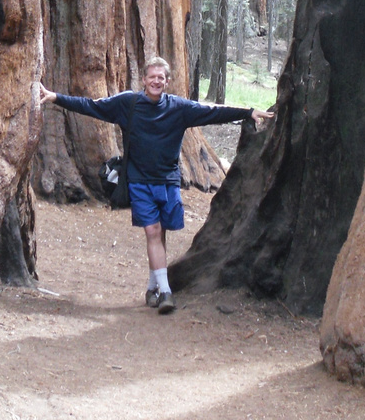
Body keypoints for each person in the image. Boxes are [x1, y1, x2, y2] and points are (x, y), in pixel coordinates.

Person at [39, 56, 273, 314]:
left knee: (161, 232)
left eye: (161, 78)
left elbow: (211, 112)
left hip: (168, 181)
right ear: (144, 79)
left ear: (167, 81)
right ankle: (166, 293)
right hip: (139, 181)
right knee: (152, 231)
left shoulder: (179, 108)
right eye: (152, 77)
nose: (156, 81)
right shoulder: (127, 103)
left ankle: (152, 287)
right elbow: (92, 106)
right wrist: (55, 97)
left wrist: (247, 112)